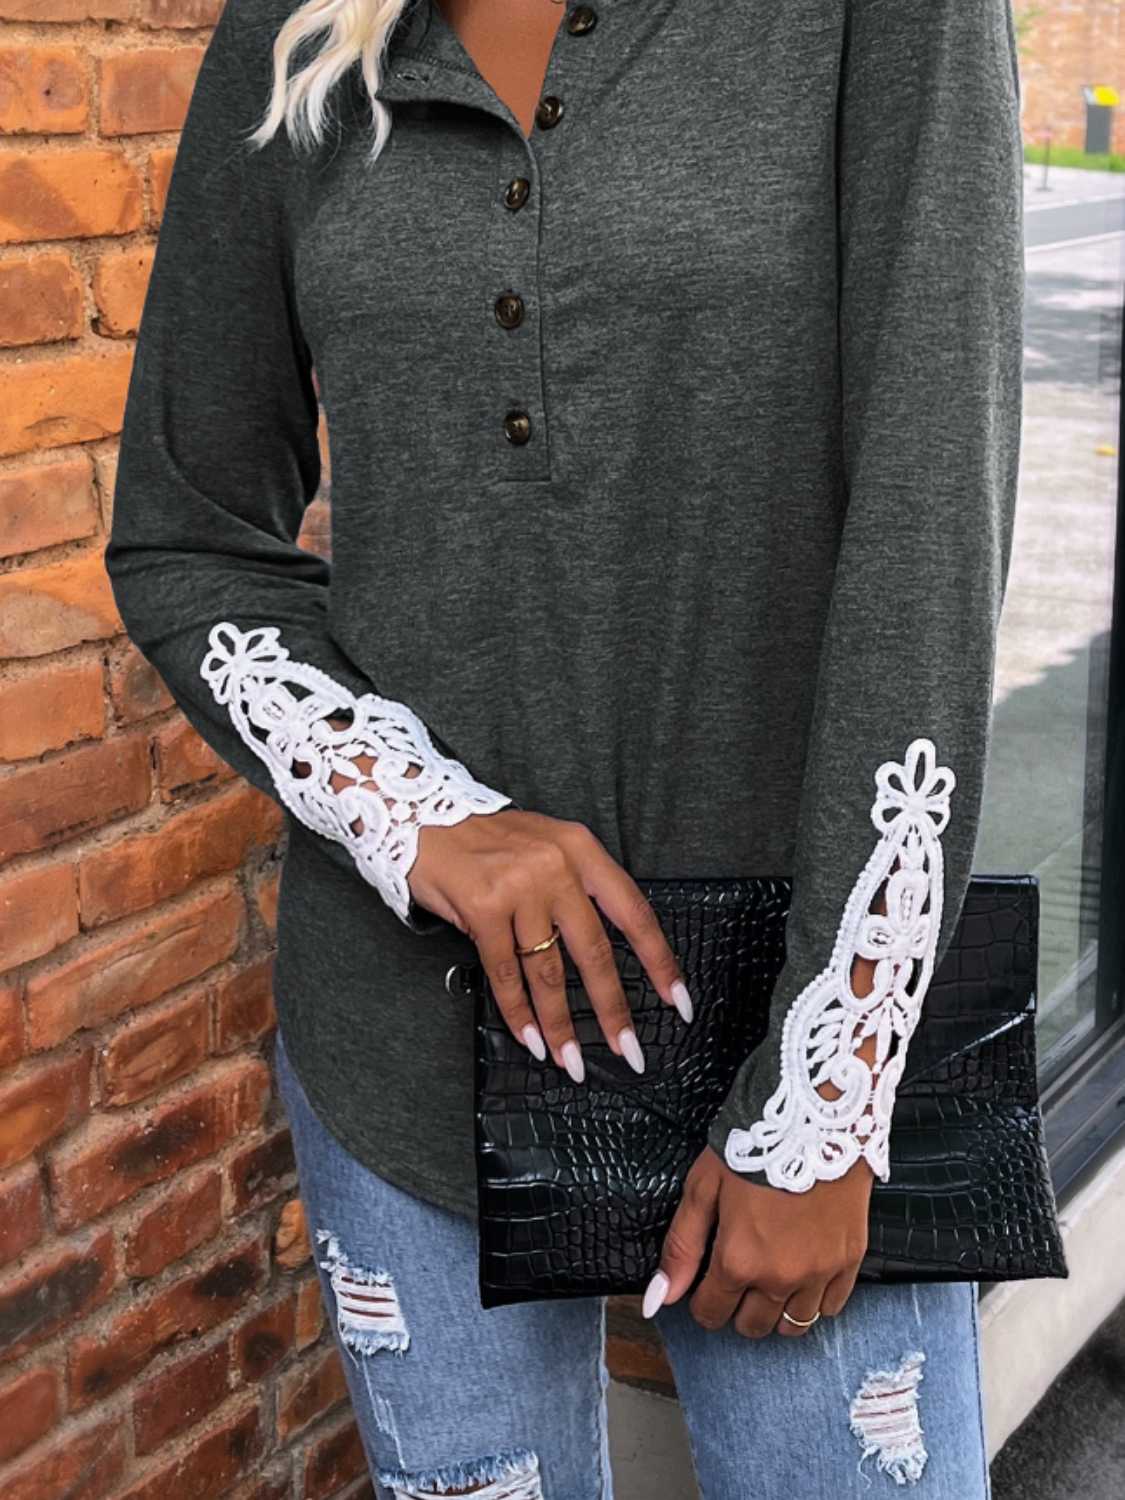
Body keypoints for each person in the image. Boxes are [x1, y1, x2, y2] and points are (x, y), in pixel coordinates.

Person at [106, 0, 1024, 1493]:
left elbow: (928, 542)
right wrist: (421, 815)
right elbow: (185, 534)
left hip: (800, 1029)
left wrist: (828, 1094)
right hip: (406, 1036)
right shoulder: (295, 31)